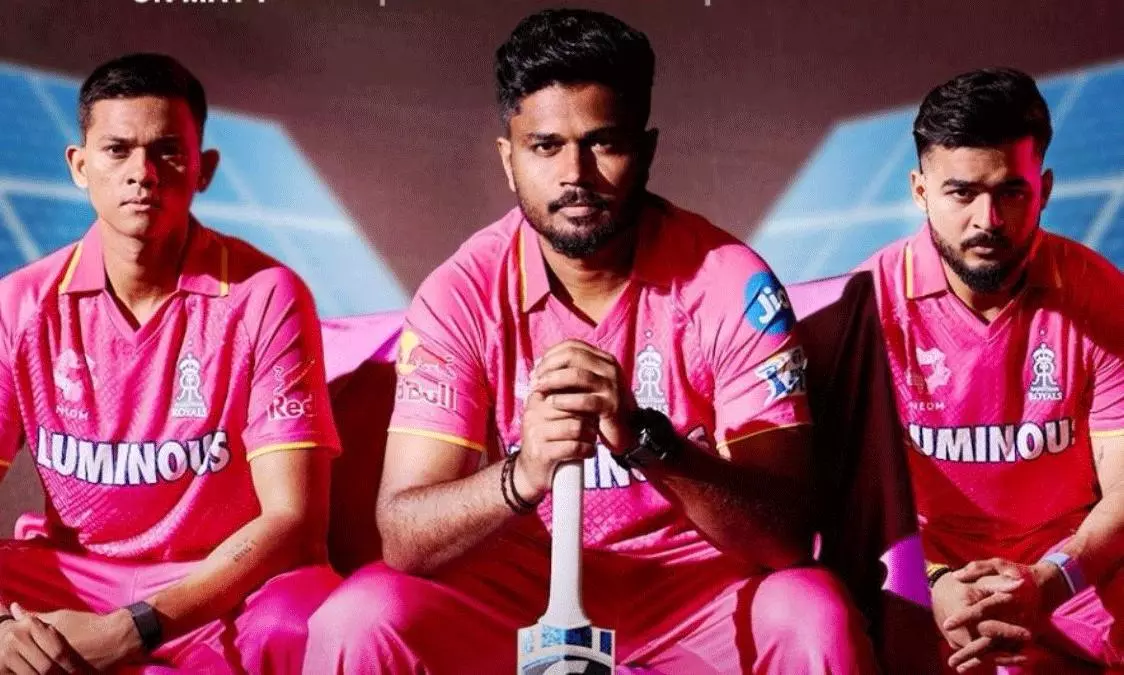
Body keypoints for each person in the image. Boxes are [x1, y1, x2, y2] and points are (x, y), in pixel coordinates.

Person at [304, 9, 875, 674]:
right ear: (509, 159)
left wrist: (646, 441)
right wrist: (524, 474)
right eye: (545, 146)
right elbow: (405, 537)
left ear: (647, 150)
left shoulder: (729, 283)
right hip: (513, 594)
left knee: (811, 615)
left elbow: (788, 535)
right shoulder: (461, 292)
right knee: (359, 618)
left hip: (699, 592)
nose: (575, 173)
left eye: (603, 143)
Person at [0, 53, 342, 673]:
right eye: (117, 150)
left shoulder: (267, 296)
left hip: (218, 585)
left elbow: (294, 519)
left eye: (167, 152)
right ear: (79, 165)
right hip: (72, 575)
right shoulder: (20, 305)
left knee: (308, 618)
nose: (143, 174)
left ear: (204, 169)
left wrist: (137, 626)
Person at [858, 67, 1124, 673]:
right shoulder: (866, 307)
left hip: (1069, 569)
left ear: (1045, 189)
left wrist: (1048, 581)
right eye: (962, 193)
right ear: (920, 191)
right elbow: (849, 500)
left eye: (1011, 193)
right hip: (924, 574)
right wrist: (932, 584)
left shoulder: (1103, 297)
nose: (989, 220)